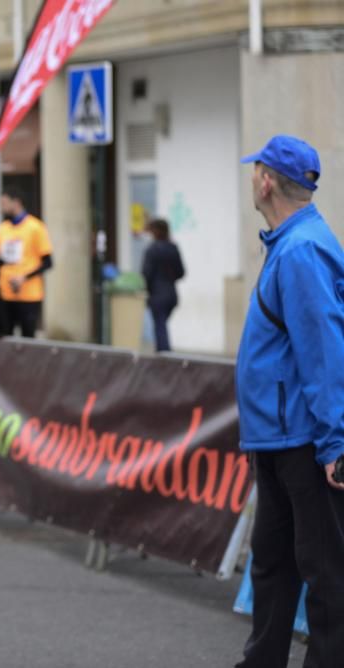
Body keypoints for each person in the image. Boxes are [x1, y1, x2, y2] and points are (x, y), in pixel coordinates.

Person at [234, 135, 344, 668]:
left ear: (267, 181)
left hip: (305, 442)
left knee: (324, 572)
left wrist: (335, 444)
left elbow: (323, 352)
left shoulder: (300, 250)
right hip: (282, 439)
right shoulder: (292, 243)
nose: (252, 179)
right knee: (273, 567)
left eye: (255, 170)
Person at [0, 188, 53, 337]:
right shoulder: (2, 229)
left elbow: (48, 262)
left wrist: (24, 277)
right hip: (5, 294)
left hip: (28, 295)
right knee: (5, 336)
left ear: (16, 202)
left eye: (5, 203)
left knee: (28, 339)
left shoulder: (35, 227)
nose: (2, 207)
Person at [141, 218, 185, 352]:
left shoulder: (152, 250)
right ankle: (164, 353)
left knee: (160, 326)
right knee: (161, 324)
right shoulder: (173, 248)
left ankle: (164, 356)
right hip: (171, 295)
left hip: (157, 295)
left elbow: (146, 274)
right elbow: (181, 272)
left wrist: (147, 289)